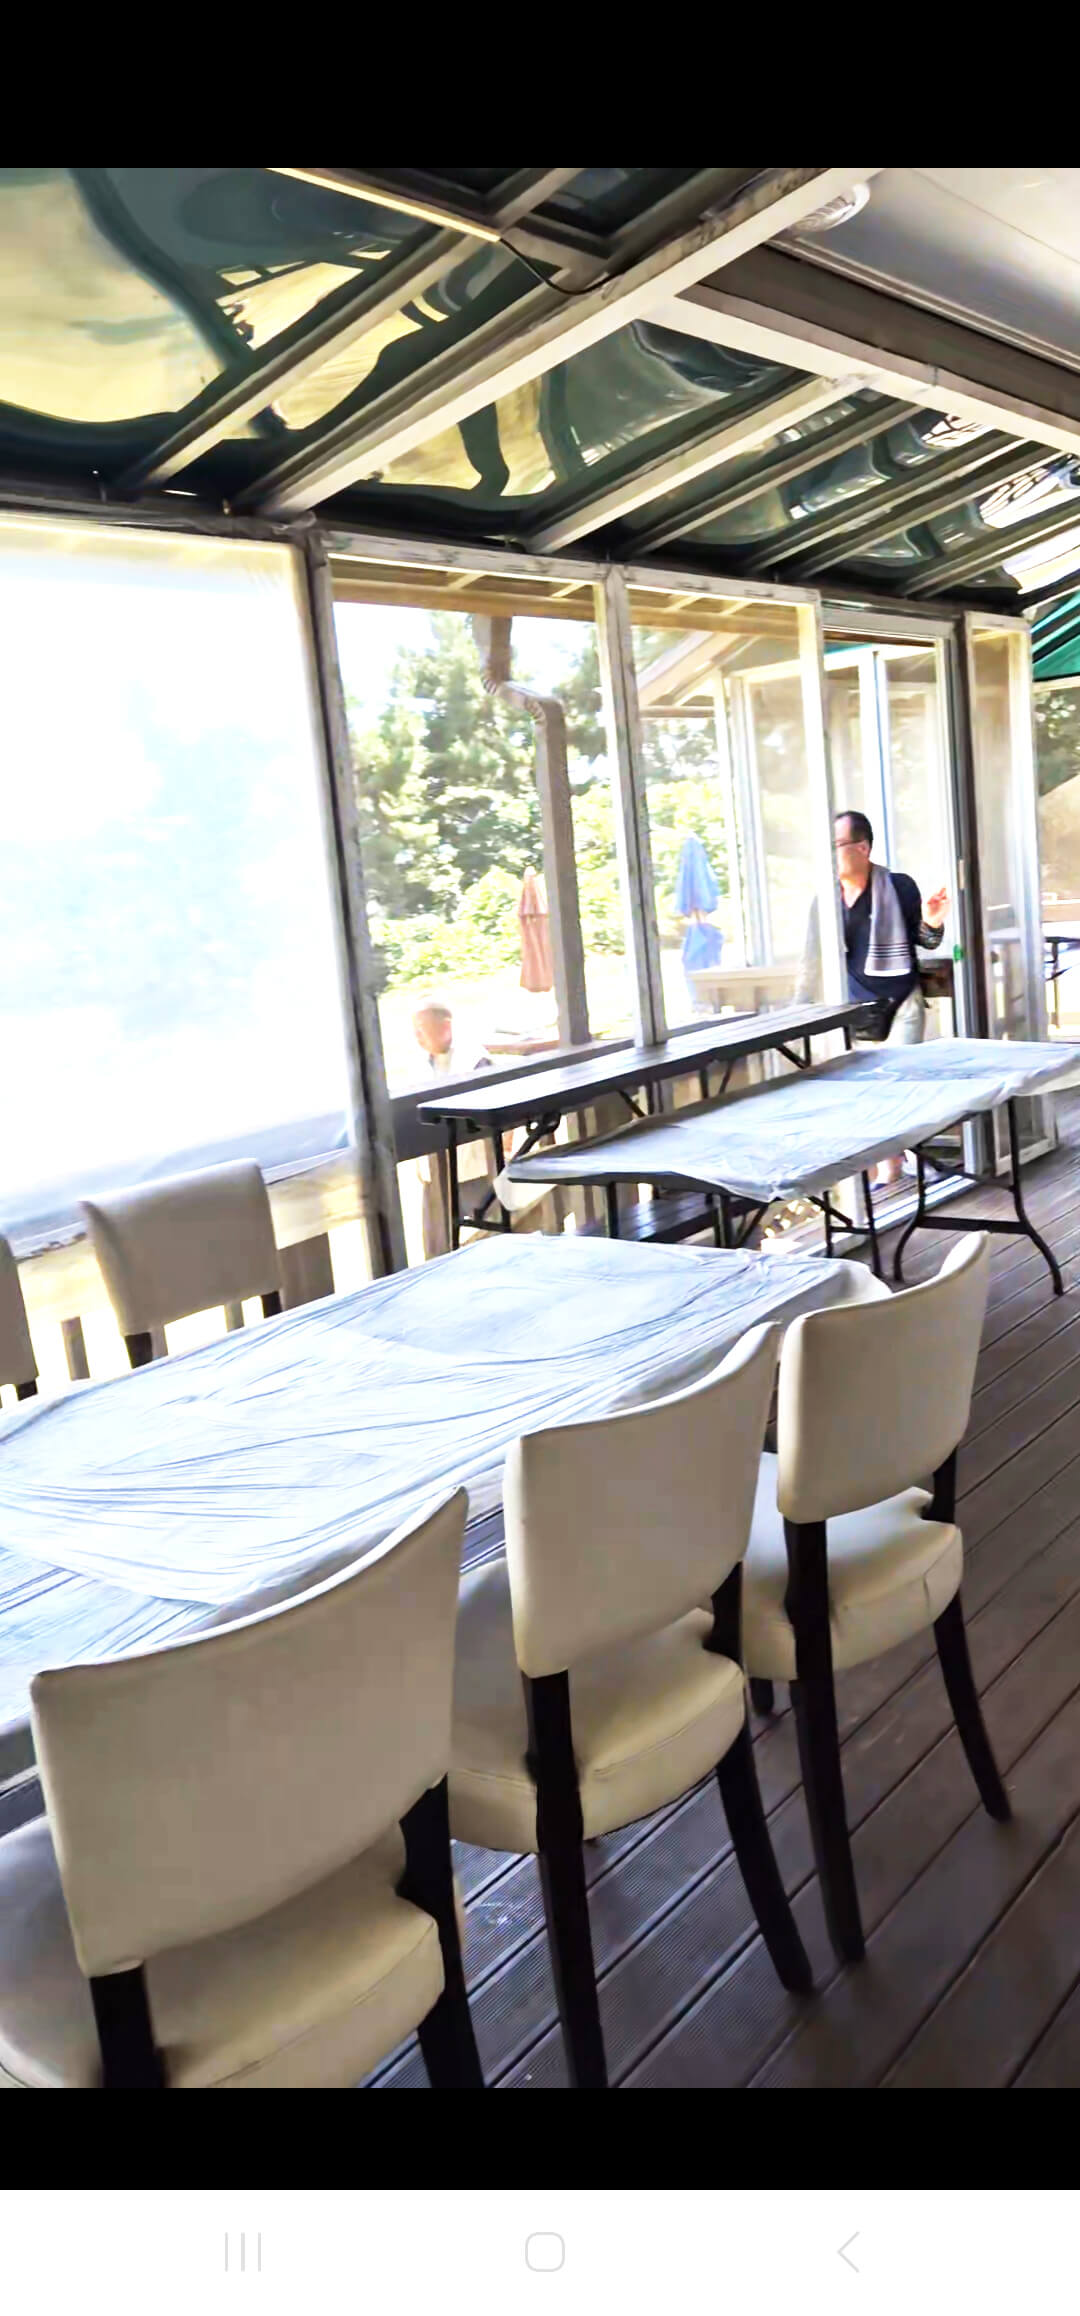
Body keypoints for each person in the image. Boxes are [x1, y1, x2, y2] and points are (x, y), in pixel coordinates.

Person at [798, 809, 949, 1184]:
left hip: (901, 1002)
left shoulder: (899, 887)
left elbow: (925, 941)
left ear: (862, 848)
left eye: (836, 845)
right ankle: (886, 1165)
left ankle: (899, 1162)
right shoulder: (825, 900)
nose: (830, 854)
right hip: (852, 1009)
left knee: (900, 1088)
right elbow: (812, 959)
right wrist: (799, 1011)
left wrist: (932, 920)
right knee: (863, 1095)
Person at [410, 999, 493, 1259]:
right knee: (438, 1250)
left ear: (446, 1027)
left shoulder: (475, 1059)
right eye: (415, 1030)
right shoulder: (419, 1063)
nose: (417, 1037)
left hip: (474, 1169)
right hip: (434, 1173)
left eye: (423, 1029)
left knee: (490, 1239)